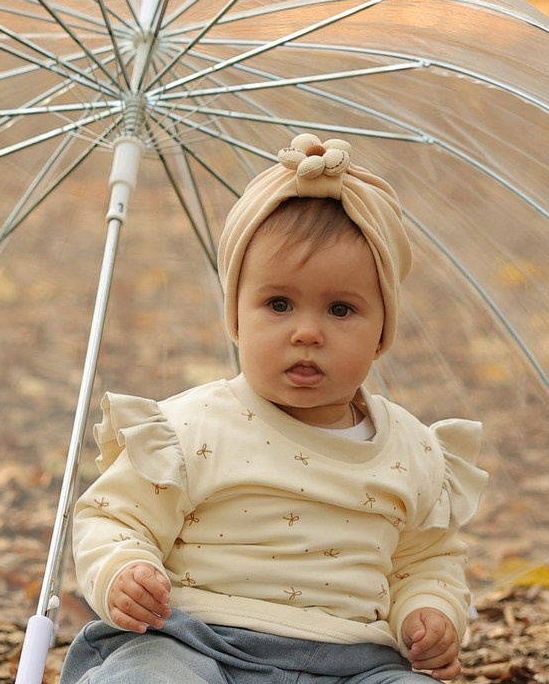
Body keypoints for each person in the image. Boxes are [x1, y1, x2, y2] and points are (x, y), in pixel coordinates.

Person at [60, 133, 488, 684]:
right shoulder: (190, 427)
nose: (307, 332)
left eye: (340, 309)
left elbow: (424, 561)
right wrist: (125, 569)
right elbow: (117, 516)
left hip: (352, 662)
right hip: (193, 641)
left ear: (383, 329)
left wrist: (429, 612)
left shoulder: (415, 451)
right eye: (278, 304)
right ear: (236, 317)